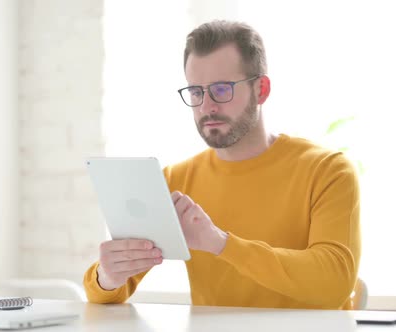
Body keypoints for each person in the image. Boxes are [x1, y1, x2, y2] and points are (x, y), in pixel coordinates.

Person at [83, 20, 361, 309]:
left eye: (221, 89)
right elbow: (104, 294)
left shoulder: (328, 170)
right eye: (196, 92)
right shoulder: (174, 180)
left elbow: (335, 284)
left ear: (261, 90)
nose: (206, 107)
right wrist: (108, 276)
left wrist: (221, 243)